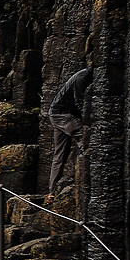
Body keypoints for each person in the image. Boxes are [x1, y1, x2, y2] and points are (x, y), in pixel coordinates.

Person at [45, 63, 94, 195]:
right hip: (61, 114)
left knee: (59, 154)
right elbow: (79, 102)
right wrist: (90, 121)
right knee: (84, 139)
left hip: (54, 113)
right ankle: (90, 177)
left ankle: (52, 191)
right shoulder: (82, 78)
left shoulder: (83, 75)